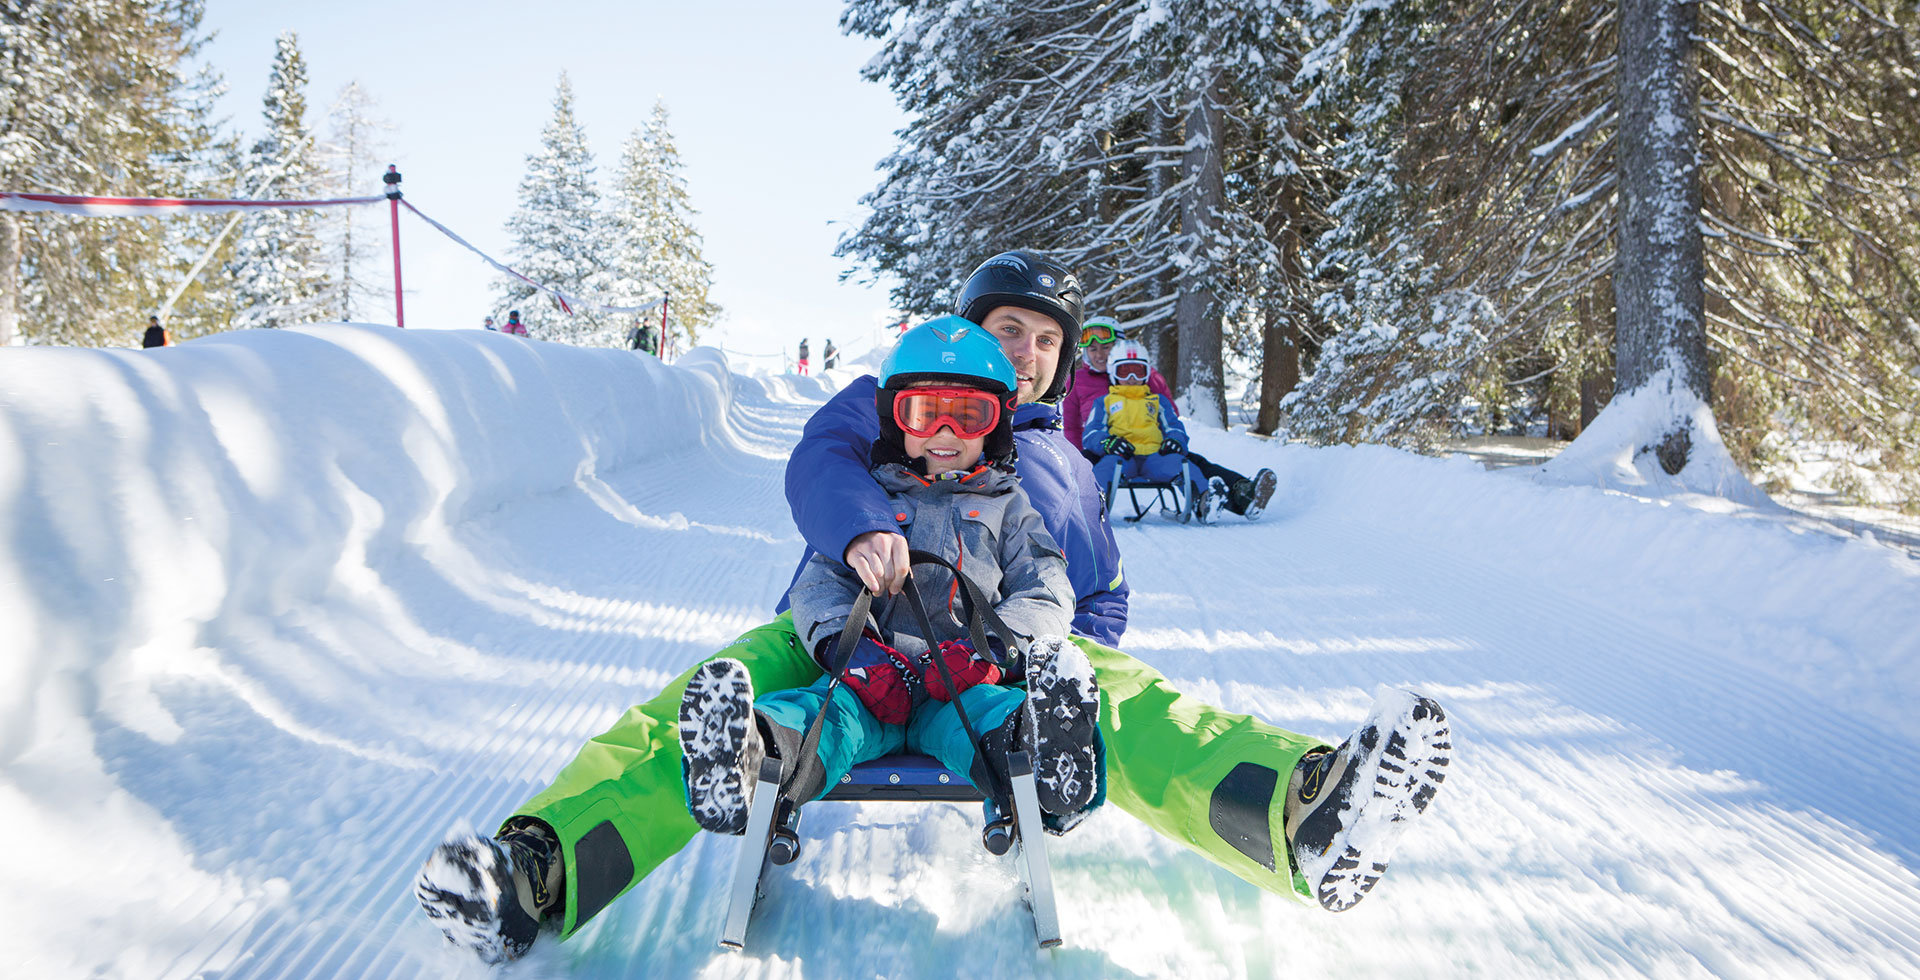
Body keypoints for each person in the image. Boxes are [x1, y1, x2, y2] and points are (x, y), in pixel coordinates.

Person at [414, 250, 1451, 964]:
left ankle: (1298, 813)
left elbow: (1097, 583)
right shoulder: (904, 394)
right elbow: (819, 457)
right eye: (1012, 327)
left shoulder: (1059, 452)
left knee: (1120, 700)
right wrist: (866, 526)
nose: (1032, 349)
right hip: (842, 628)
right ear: (971, 330)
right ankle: (537, 869)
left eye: (1047, 338)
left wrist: (1065, 653)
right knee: (710, 695)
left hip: (1007, 644)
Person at [677, 317, 1101, 847]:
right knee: (823, 716)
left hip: (964, 685)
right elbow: (819, 586)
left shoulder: (1008, 507)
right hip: (870, 682)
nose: (945, 433)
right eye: (924, 414)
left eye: (969, 415)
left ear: (995, 425)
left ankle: (1042, 754)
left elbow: (1047, 587)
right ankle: (754, 753)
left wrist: (991, 649)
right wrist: (847, 652)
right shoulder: (875, 502)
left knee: (991, 718)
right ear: (895, 420)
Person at [1062, 317, 1279, 521]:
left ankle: (1240, 495)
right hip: (1103, 447)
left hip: (1152, 447)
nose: (1099, 355)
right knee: (1086, 470)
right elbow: (1071, 424)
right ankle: (1076, 508)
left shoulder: (1145, 374)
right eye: (1093, 349)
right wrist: (1082, 453)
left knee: (1193, 462)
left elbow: (1167, 412)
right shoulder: (1078, 380)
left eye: (1106, 347)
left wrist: (1169, 440)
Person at [1083, 340, 1226, 521]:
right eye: (1125, 371)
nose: (1132, 377)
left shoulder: (1157, 401)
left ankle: (1204, 501)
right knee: (1104, 469)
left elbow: (1174, 426)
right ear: (1113, 372)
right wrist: (1107, 443)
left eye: (1138, 371)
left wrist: (1175, 440)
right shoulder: (1105, 402)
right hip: (1122, 457)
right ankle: (1091, 508)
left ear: (1147, 373)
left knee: (1180, 464)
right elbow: (1091, 432)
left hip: (1155, 456)